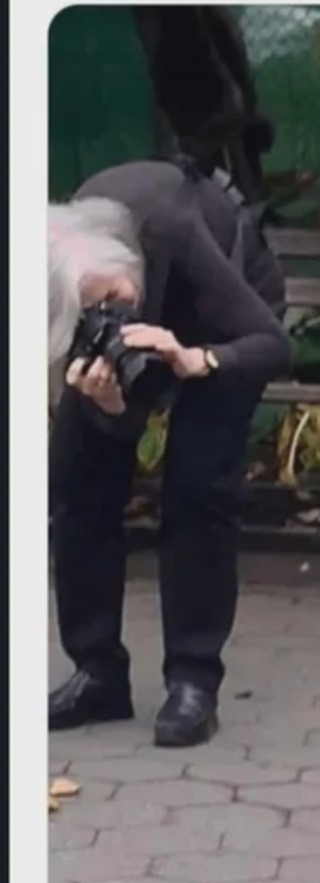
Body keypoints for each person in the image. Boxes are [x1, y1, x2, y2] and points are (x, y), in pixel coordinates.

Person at [47, 158, 290, 747]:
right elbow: (123, 425)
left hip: (228, 321)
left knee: (199, 486)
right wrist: (111, 411)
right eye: (96, 315)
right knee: (77, 482)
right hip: (120, 318)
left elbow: (271, 345)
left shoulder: (170, 231)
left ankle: (193, 680)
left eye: (116, 299)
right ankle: (97, 671)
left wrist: (197, 360)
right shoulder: (51, 277)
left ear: (123, 262)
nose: (115, 318)